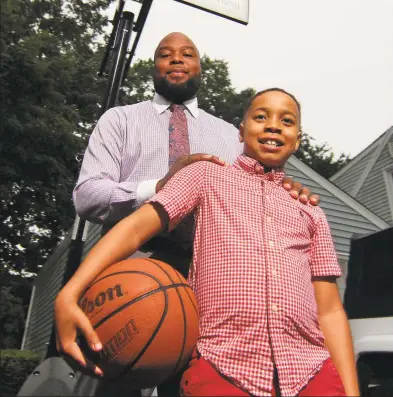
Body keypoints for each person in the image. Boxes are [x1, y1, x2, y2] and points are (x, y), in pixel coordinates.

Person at [55, 87, 359, 397]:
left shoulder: (309, 210)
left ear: (297, 140)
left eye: (287, 120)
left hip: (310, 371)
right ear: (240, 133)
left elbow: (330, 311)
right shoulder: (206, 176)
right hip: (223, 366)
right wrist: (71, 292)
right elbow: (134, 228)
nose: (273, 125)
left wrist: (350, 391)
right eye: (261, 116)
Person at [73, 32, 319, 279]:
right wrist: (159, 187)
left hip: (207, 273)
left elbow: (256, 197)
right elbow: (87, 196)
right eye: (165, 55)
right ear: (154, 68)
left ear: (200, 69)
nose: (177, 59)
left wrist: (287, 191)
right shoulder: (119, 120)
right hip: (129, 259)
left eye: (187, 55)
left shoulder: (233, 136)